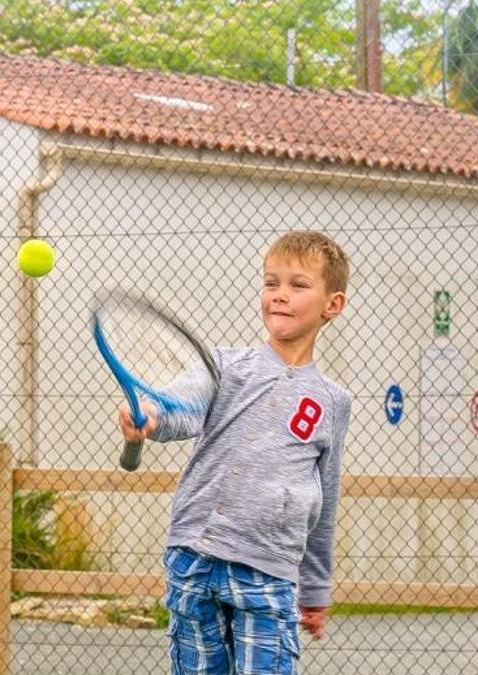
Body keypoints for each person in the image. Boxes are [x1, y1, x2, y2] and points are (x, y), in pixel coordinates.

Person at [118, 230, 352, 675]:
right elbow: (183, 405)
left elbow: (325, 497)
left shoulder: (332, 401)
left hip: (268, 572)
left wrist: (315, 588)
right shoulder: (225, 365)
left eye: (298, 285)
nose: (279, 295)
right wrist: (152, 415)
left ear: (332, 304)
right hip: (194, 559)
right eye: (271, 283)